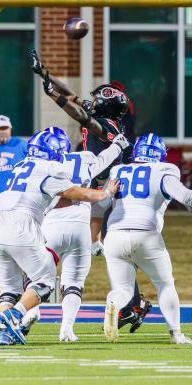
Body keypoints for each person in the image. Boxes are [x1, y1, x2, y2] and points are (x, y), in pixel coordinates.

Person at [31, 49, 152, 333]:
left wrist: (54, 96)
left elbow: (78, 112)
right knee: (109, 249)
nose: (93, 101)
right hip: (101, 192)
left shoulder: (107, 126)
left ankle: (134, 304)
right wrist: (47, 76)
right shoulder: (108, 120)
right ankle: (134, 303)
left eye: (99, 99)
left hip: (108, 192)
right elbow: (74, 97)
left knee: (113, 250)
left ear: (107, 106)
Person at [0, 127, 120, 346]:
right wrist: (106, 193)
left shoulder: (21, 165)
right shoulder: (51, 168)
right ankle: (16, 314)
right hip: (22, 226)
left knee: (9, 290)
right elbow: (80, 194)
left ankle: (5, 332)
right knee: (45, 282)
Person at [102, 133, 192, 344]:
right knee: (165, 284)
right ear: (160, 154)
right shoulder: (165, 170)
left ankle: (112, 304)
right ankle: (176, 334)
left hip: (114, 236)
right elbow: (186, 197)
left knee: (123, 290)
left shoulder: (119, 170)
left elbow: (100, 203)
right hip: (145, 234)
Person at [41, 127, 130, 341]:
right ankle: (66, 329)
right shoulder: (88, 160)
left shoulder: (47, 164)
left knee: (37, 277)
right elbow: (104, 158)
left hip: (51, 223)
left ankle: (27, 316)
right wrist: (118, 144)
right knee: (73, 282)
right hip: (80, 225)